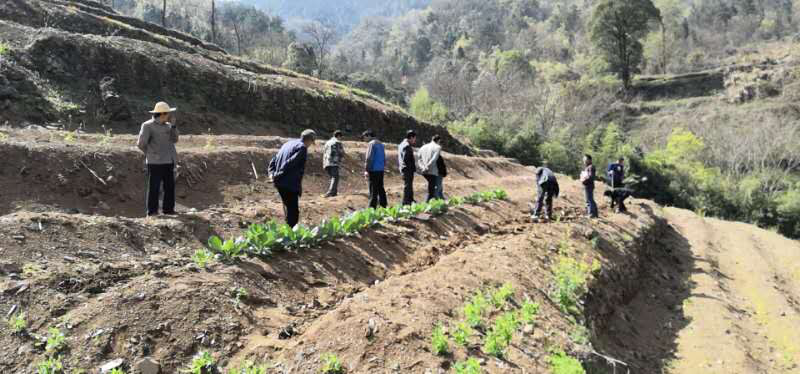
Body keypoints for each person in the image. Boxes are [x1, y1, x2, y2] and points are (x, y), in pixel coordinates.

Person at [137, 101, 179, 217]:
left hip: (169, 161)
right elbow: (141, 144)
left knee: (169, 187)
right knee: (154, 188)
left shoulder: (169, 126)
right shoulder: (147, 126)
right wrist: (151, 154)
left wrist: (174, 127)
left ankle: (168, 210)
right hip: (155, 162)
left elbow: (175, 140)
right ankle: (152, 212)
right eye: (168, 113)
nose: (169, 115)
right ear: (162, 114)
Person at [268, 129, 316, 227]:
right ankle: (290, 234)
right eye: (311, 143)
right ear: (309, 140)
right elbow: (290, 163)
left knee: (288, 209)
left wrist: (271, 174)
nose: (310, 145)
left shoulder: (287, 144)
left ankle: (286, 231)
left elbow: (273, 160)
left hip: (280, 183)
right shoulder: (302, 148)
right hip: (289, 183)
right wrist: (277, 175)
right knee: (293, 214)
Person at [363, 130, 387, 208]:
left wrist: (366, 170)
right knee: (380, 188)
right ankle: (383, 205)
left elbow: (369, 158)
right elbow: (384, 157)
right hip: (380, 169)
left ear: (368, 136)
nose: (364, 139)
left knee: (373, 190)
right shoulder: (381, 144)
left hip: (373, 170)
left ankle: (372, 207)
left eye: (364, 137)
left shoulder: (371, 144)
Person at [418, 135, 443, 201]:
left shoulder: (423, 147)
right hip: (432, 171)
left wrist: (423, 167)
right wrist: (427, 167)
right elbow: (434, 159)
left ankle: (431, 201)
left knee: (431, 187)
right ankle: (428, 203)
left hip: (424, 171)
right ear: (438, 140)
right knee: (432, 188)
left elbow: (419, 159)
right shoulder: (438, 147)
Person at [322, 130, 345, 197]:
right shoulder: (338, 142)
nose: (341, 138)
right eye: (341, 137)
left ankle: (334, 192)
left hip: (326, 162)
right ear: (338, 136)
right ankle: (330, 192)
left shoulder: (327, 142)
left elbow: (324, 152)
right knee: (335, 177)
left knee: (333, 177)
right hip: (334, 162)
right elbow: (342, 153)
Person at [398, 130, 417, 205]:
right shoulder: (406, 146)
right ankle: (405, 202)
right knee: (408, 186)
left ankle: (410, 200)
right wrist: (412, 168)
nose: (415, 140)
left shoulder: (401, 144)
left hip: (404, 168)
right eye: (414, 138)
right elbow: (406, 159)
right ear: (411, 137)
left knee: (409, 185)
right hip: (407, 169)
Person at [581, 154, 599, 219]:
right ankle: (595, 214)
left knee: (589, 200)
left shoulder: (591, 167)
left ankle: (591, 214)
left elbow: (591, 177)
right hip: (588, 185)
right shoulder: (588, 167)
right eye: (583, 159)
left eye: (585, 159)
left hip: (589, 185)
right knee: (590, 199)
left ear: (589, 160)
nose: (584, 160)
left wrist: (584, 180)